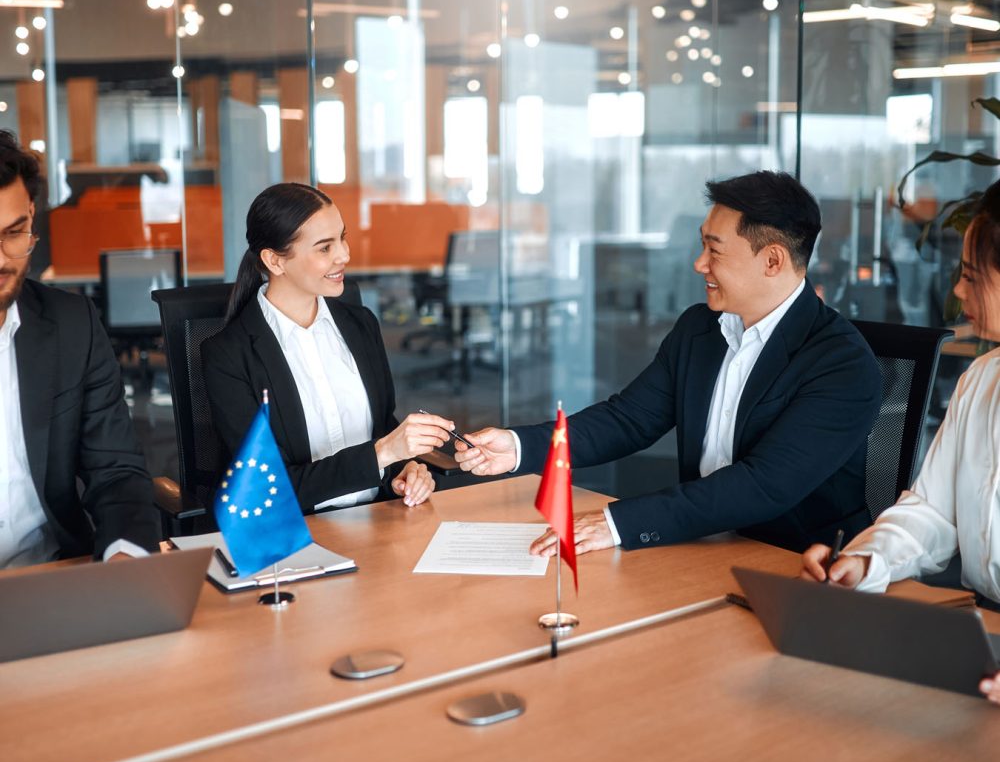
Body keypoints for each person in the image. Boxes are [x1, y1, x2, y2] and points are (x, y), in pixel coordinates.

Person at [455, 171, 882, 555]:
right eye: (703, 245)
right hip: (702, 545)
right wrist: (518, 447)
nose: (699, 264)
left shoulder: (841, 363)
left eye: (715, 251)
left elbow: (763, 485)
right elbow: (629, 419)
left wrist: (618, 523)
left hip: (797, 565)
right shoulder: (700, 329)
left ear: (772, 260)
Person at [801, 178, 1000, 705]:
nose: (958, 291)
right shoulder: (982, 379)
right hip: (982, 637)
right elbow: (932, 512)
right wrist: (867, 562)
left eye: (973, 276)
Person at [202, 183, 454, 514]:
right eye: (324, 248)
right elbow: (269, 487)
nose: (344, 255)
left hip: (379, 521)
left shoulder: (360, 325)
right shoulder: (229, 354)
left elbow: (381, 426)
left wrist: (403, 469)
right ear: (275, 261)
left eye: (342, 238)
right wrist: (382, 455)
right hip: (294, 538)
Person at [0, 130, 160, 567]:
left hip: (53, 577)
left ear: (32, 215)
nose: (1, 259)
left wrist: (123, 555)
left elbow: (116, 472)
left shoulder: (72, 325)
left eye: (14, 233)